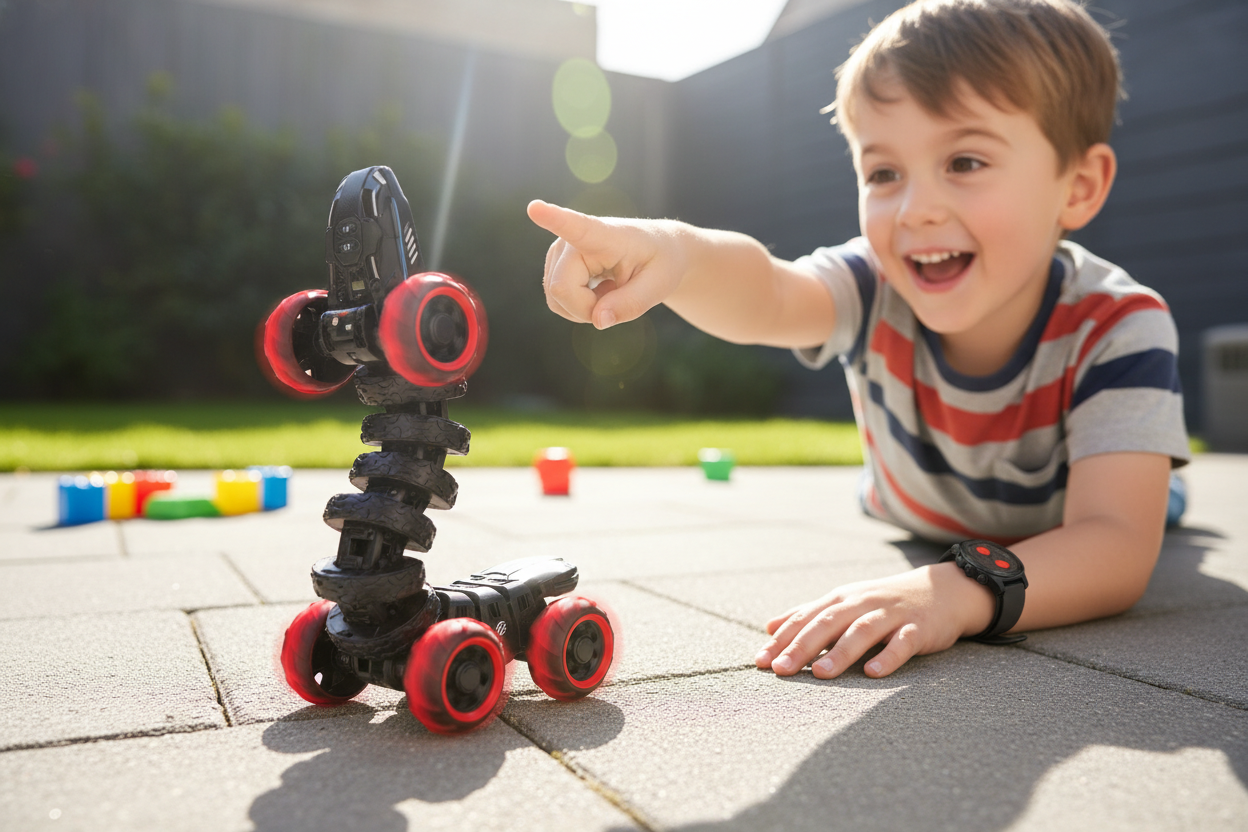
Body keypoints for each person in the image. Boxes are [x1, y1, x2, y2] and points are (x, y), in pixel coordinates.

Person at [527, 0, 1189, 680]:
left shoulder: (1118, 326)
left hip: (1068, 508)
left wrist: (952, 591)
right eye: (883, 173)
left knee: (1143, 504)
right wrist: (677, 253)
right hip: (925, 504)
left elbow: (1114, 546)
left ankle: (1159, 479)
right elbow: (771, 293)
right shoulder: (874, 284)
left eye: (964, 160)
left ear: (1077, 187)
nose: (915, 209)